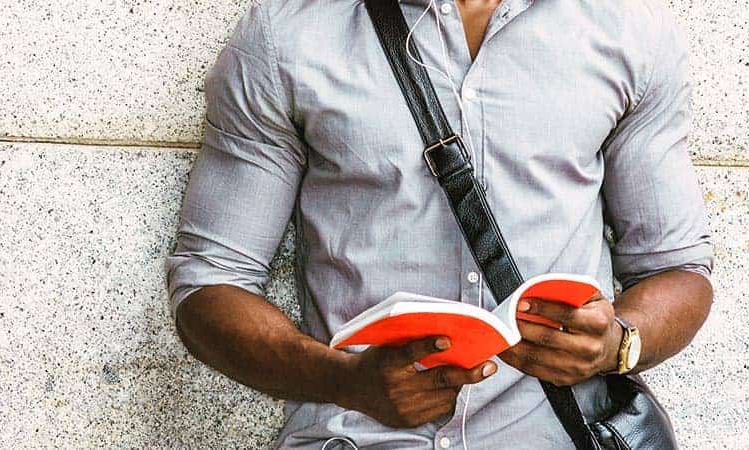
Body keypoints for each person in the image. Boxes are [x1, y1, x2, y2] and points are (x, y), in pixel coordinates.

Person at [166, 0, 715, 447]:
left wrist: (618, 343)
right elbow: (210, 284)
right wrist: (345, 382)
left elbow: (677, 269)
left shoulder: (628, 30)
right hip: (358, 439)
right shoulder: (286, 36)